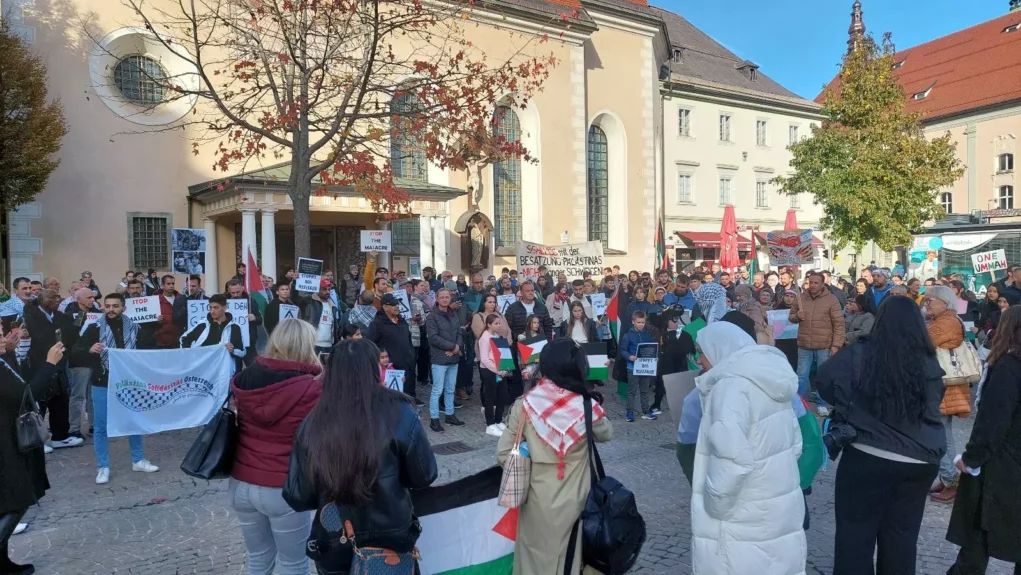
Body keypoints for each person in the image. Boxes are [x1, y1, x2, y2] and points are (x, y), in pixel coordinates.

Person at [282, 339, 438, 574]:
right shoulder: (401, 412)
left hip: (335, 540)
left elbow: (298, 496)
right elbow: (424, 475)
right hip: (390, 536)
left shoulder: (313, 422)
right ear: (374, 368)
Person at [816, 296, 945, 575]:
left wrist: (851, 405)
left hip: (869, 453)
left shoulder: (861, 351)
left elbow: (824, 379)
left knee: (855, 535)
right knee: (901, 537)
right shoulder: (929, 359)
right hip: (921, 459)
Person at [689, 321, 806, 575]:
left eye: (701, 351)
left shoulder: (730, 388)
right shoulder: (771, 381)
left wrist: (715, 507)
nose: (699, 360)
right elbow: (796, 443)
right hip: (777, 506)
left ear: (719, 349)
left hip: (742, 515)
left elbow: (732, 460)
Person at [496, 338, 612, 575]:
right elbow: (606, 433)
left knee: (535, 559)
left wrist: (529, 449)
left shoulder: (525, 405)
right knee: (574, 558)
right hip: (579, 501)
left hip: (537, 499)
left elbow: (503, 453)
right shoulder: (586, 406)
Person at [230, 318, 322, 575]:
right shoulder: (312, 387)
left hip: (241, 482)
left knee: (258, 559)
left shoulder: (245, 377)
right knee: (294, 563)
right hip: (283, 486)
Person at [945, 305, 1021, 574]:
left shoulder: (1008, 368)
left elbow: (993, 421)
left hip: (1002, 465)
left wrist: (971, 459)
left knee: (977, 536)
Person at [73, 293, 160, 484]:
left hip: (129, 383)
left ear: (123, 308)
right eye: (108, 306)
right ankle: (103, 467)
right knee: (100, 426)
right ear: (103, 307)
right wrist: (89, 350)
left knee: (133, 421)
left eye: (115, 306)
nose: (111, 309)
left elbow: (148, 351)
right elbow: (75, 351)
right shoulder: (94, 328)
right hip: (102, 382)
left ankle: (138, 460)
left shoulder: (136, 328)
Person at [0, 338, 63, 574]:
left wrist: (9, 353)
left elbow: (17, 384)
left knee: (8, 501)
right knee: (17, 498)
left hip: (10, 437)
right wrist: (50, 364)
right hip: (5, 443)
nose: (3, 337)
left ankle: (2, 563)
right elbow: (24, 395)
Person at [924, 285, 972, 505]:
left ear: (944, 303)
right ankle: (948, 478)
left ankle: (951, 480)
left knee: (939, 434)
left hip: (944, 387)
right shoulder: (944, 320)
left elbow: (921, 344)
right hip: (944, 386)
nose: (925, 304)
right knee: (943, 432)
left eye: (930, 300)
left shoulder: (946, 322)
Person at [23, 289, 80, 450]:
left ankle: (60, 437)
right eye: (53, 298)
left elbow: (71, 336)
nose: (57, 301)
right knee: (39, 403)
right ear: (43, 301)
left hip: (59, 363)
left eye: (58, 297)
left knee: (60, 400)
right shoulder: (30, 317)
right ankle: (37, 441)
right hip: (39, 365)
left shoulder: (61, 317)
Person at [788, 272, 845, 417]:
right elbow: (791, 317)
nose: (812, 285)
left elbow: (839, 324)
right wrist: (797, 316)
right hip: (804, 344)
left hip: (824, 345)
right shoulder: (801, 298)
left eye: (816, 283)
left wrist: (836, 345)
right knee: (801, 375)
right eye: (810, 282)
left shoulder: (831, 300)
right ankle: (799, 403)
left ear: (822, 284)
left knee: (822, 376)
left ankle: (821, 403)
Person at [363, 293, 418, 402]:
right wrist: (382, 362)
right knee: (394, 400)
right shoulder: (377, 324)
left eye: (397, 303)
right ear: (385, 307)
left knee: (408, 398)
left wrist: (412, 356)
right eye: (393, 304)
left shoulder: (402, 321)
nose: (397, 306)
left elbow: (408, 339)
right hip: (391, 369)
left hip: (408, 366)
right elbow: (370, 345)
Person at [425, 288, 465, 432]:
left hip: (453, 357)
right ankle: (434, 418)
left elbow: (459, 331)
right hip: (439, 358)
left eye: (447, 297)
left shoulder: (453, 314)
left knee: (450, 389)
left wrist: (457, 347)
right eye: (441, 297)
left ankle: (450, 414)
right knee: (437, 390)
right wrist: (452, 347)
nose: (444, 299)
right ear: (437, 299)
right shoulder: (432, 316)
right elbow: (433, 338)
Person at [181, 294, 246, 373]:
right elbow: (184, 339)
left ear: (224, 308)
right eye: (210, 307)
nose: (212, 311)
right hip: (204, 371)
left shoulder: (235, 327)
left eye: (216, 308)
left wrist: (232, 350)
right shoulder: (202, 325)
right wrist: (190, 357)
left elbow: (242, 352)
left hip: (224, 372)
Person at [477, 313, 511, 437]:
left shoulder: (496, 336)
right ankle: (490, 424)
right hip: (489, 371)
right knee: (490, 397)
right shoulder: (484, 338)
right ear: (489, 324)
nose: (498, 326)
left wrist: (506, 367)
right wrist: (499, 370)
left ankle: (498, 420)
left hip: (500, 370)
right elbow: (485, 359)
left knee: (502, 395)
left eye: (499, 323)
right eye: (496, 324)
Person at [620, 310, 657, 423]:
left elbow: (652, 348)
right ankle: (629, 412)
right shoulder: (627, 336)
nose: (641, 324)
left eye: (642, 322)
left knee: (645, 391)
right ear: (633, 322)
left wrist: (655, 357)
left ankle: (646, 411)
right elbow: (623, 350)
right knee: (632, 391)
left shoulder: (648, 335)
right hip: (632, 367)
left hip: (645, 368)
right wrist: (629, 356)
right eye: (638, 322)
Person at [226, 279, 264, 366]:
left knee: (254, 368)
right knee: (235, 370)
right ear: (228, 291)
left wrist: (254, 318)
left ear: (242, 289)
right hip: (231, 344)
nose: (235, 295)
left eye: (238, 292)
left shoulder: (251, 302)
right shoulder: (224, 302)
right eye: (233, 293)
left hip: (249, 342)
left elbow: (260, 320)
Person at [298, 279, 341, 356]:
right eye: (324, 289)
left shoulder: (332, 306)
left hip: (329, 346)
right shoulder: (309, 302)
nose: (327, 292)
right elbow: (295, 298)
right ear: (317, 290)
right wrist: (295, 282)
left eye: (329, 289)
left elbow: (335, 327)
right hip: (313, 345)